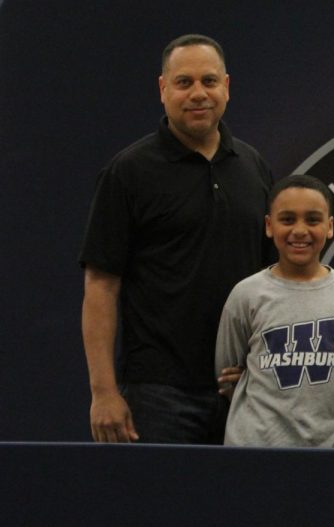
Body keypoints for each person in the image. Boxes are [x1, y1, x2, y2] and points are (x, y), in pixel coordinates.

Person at [80, 34, 273, 444]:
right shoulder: (128, 172)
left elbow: (274, 281)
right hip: (158, 394)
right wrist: (104, 392)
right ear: (163, 89)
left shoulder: (253, 167)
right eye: (184, 83)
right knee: (161, 508)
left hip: (242, 388)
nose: (198, 93)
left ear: (227, 87)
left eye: (209, 81)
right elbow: (100, 286)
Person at [215, 175, 334, 447]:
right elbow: (227, 374)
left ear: (330, 226)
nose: (300, 231)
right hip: (254, 450)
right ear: (269, 225)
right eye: (287, 220)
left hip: (331, 451)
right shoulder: (246, 294)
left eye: (312, 220)